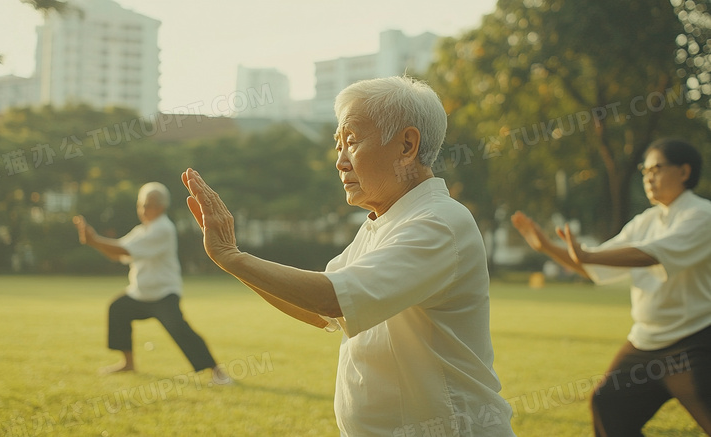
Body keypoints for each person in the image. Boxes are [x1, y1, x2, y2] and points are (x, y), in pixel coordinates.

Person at [180, 76, 515, 436]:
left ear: (407, 145)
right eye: (339, 145)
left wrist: (232, 257)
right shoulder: (383, 224)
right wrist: (232, 260)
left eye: (351, 142)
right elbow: (321, 310)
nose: (340, 162)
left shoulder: (438, 223)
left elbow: (332, 297)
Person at [511, 138, 711, 436]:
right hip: (646, 343)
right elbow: (598, 265)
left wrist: (588, 254)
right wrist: (549, 248)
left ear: (684, 172)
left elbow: (651, 254)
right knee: (609, 405)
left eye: (657, 168)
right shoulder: (646, 221)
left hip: (694, 343)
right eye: (645, 170)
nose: (648, 176)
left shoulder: (701, 215)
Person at [73, 182, 230, 383]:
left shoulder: (163, 228)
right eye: (141, 205)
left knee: (179, 329)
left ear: (161, 207)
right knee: (118, 309)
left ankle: (217, 372)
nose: (144, 209)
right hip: (140, 293)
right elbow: (116, 252)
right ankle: (128, 364)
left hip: (163, 294)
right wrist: (94, 242)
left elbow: (124, 251)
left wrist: (94, 240)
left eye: (149, 205)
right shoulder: (142, 231)